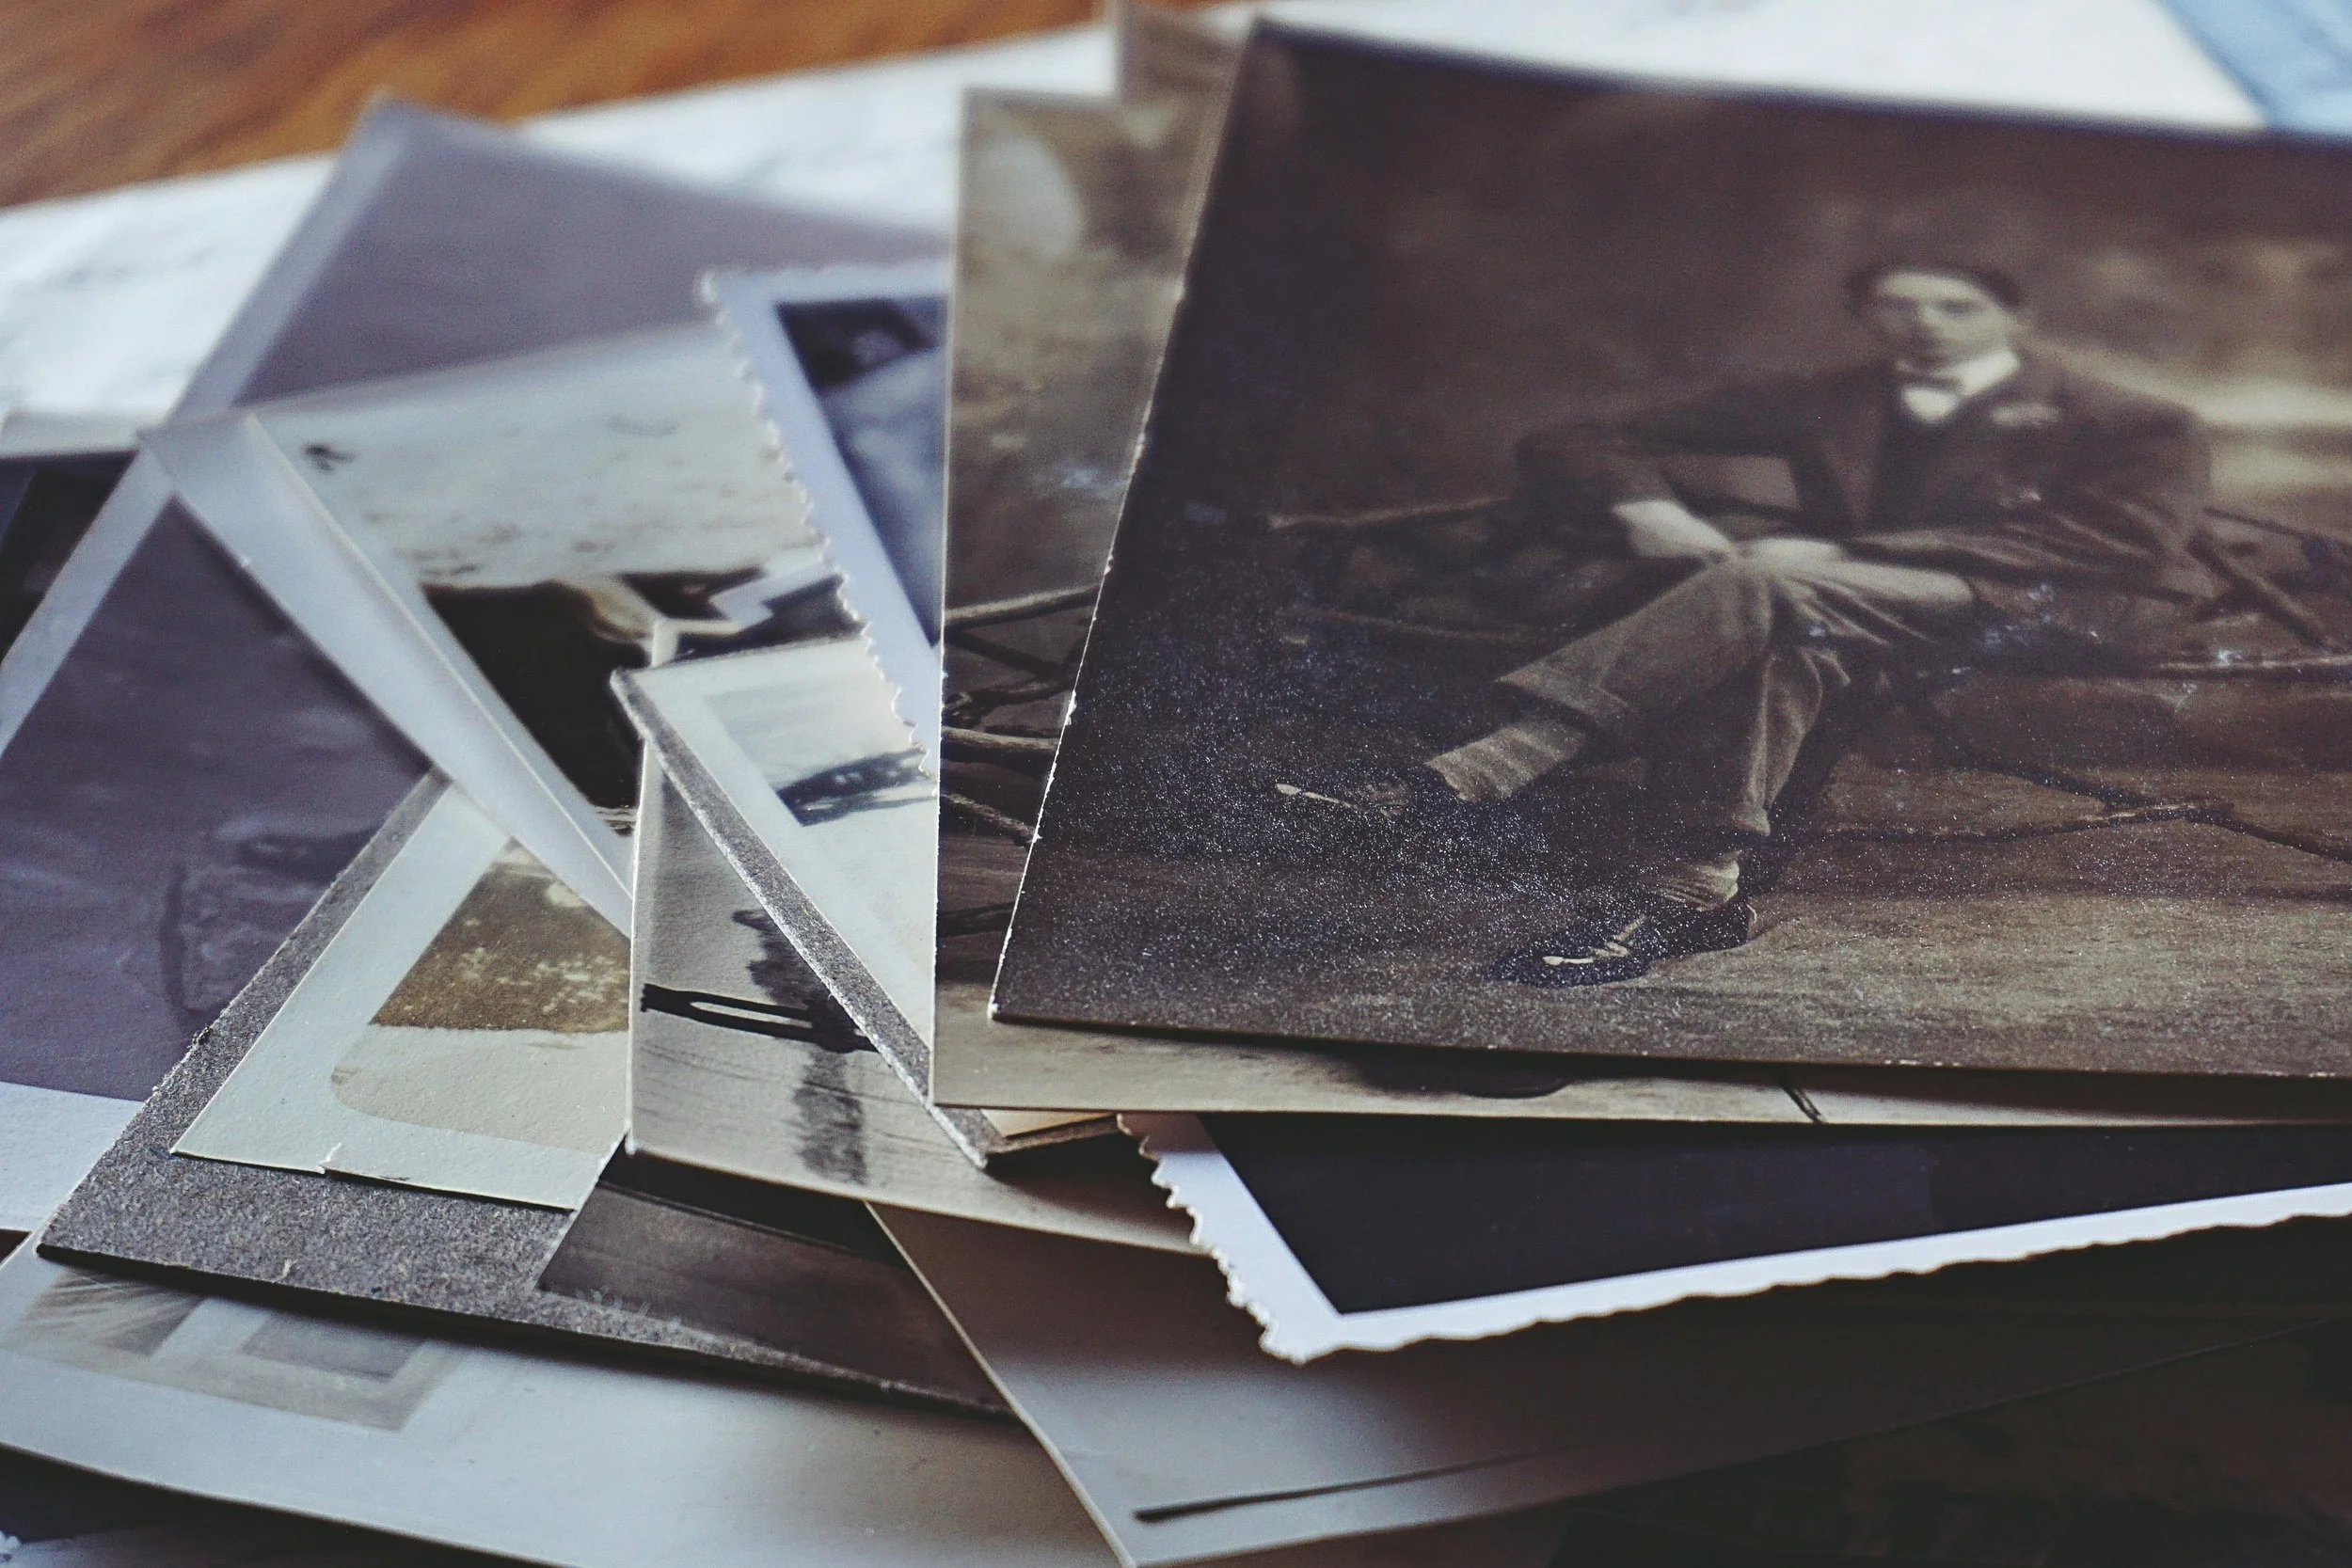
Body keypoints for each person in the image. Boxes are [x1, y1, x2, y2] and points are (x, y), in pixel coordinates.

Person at [1307, 261, 2217, 988]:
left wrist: (1863, 554)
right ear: (1867, 315)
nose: (1924, 324)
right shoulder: (1827, 396)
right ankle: (1691, 893)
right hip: (1834, 603)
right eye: (1896, 305)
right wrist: (1645, 508)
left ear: (2012, 321)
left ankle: (1479, 770)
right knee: (1781, 631)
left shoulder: (2130, 417)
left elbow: (2122, 540)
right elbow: (1576, 437)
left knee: (1775, 585)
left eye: (1956, 306)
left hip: (2051, 608)